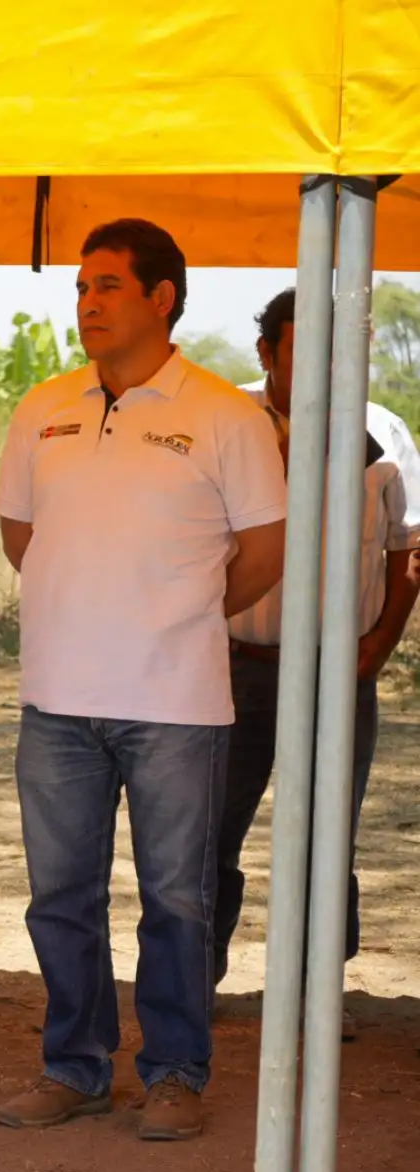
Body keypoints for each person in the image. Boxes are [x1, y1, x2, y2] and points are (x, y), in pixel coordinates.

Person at [0, 220, 286, 1140]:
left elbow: (263, 551)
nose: (88, 302)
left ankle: (173, 1074)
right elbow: (19, 537)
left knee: (179, 900)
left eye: (108, 285)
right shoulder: (42, 406)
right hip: (57, 702)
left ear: (162, 298)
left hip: (176, 704)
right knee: (61, 898)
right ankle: (74, 1067)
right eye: (81, 287)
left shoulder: (225, 414)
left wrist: (177, 610)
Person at [214, 288, 420, 1035]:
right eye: (307, 352)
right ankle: (189, 988)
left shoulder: (383, 432)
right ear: (266, 351)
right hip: (229, 671)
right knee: (206, 833)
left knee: (325, 839)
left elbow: (410, 548)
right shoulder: (221, 422)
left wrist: (378, 645)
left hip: (341, 674)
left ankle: (309, 999)